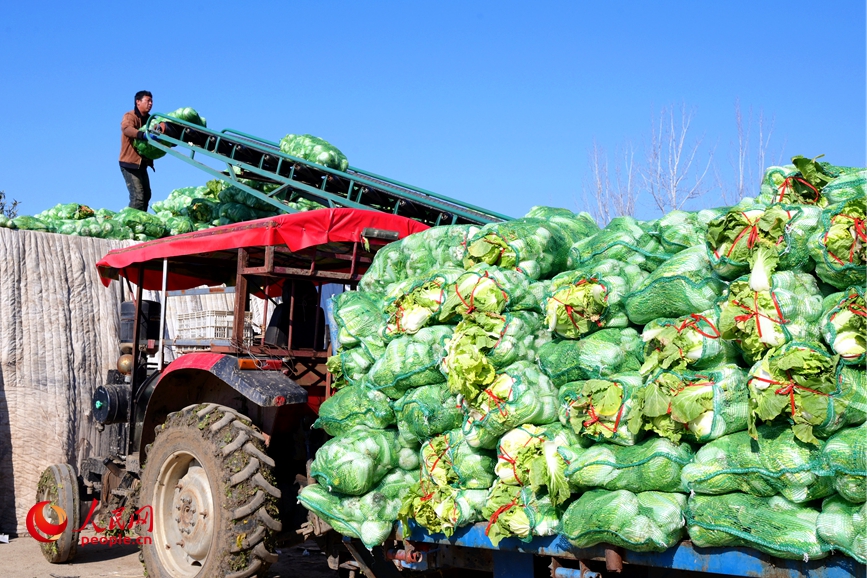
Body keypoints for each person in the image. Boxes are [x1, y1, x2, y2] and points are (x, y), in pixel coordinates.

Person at [119, 90, 159, 211]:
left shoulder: (150, 119)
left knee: (146, 195)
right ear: (138, 102)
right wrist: (142, 135)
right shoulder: (130, 116)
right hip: (130, 163)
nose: (151, 103)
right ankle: (129, 223)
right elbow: (126, 128)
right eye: (148, 101)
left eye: (151, 101)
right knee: (138, 197)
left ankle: (141, 222)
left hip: (142, 164)